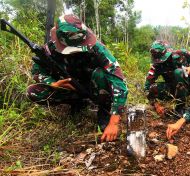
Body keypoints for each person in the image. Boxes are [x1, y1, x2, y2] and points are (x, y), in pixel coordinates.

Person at [26, 14, 128, 142]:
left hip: (93, 87)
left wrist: (114, 122)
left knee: (101, 75)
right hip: (71, 87)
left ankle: (104, 109)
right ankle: (77, 103)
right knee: (33, 92)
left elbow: (118, 81)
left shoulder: (97, 48)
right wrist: (53, 83)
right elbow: (36, 71)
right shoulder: (49, 49)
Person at [144, 40, 190, 116]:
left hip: (189, 86)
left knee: (178, 72)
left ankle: (180, 107)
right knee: (153, 88)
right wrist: (156, 105)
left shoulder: (181, 54)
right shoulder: (156, 66)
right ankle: (176, 100)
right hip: (173, 89)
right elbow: (147, 87)